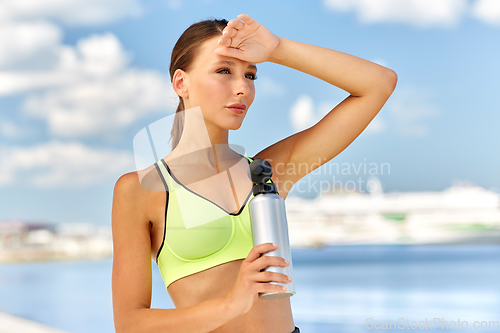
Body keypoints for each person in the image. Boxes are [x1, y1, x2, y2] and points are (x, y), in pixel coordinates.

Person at [111, 13, 397, 333]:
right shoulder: (142, 189)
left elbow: (378, 84)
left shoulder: (268, 172)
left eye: (250, 75)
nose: (242, 88)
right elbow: (130, 324)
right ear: (181, 82)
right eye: (224, 71)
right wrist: (231, 303)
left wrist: (276, 48)